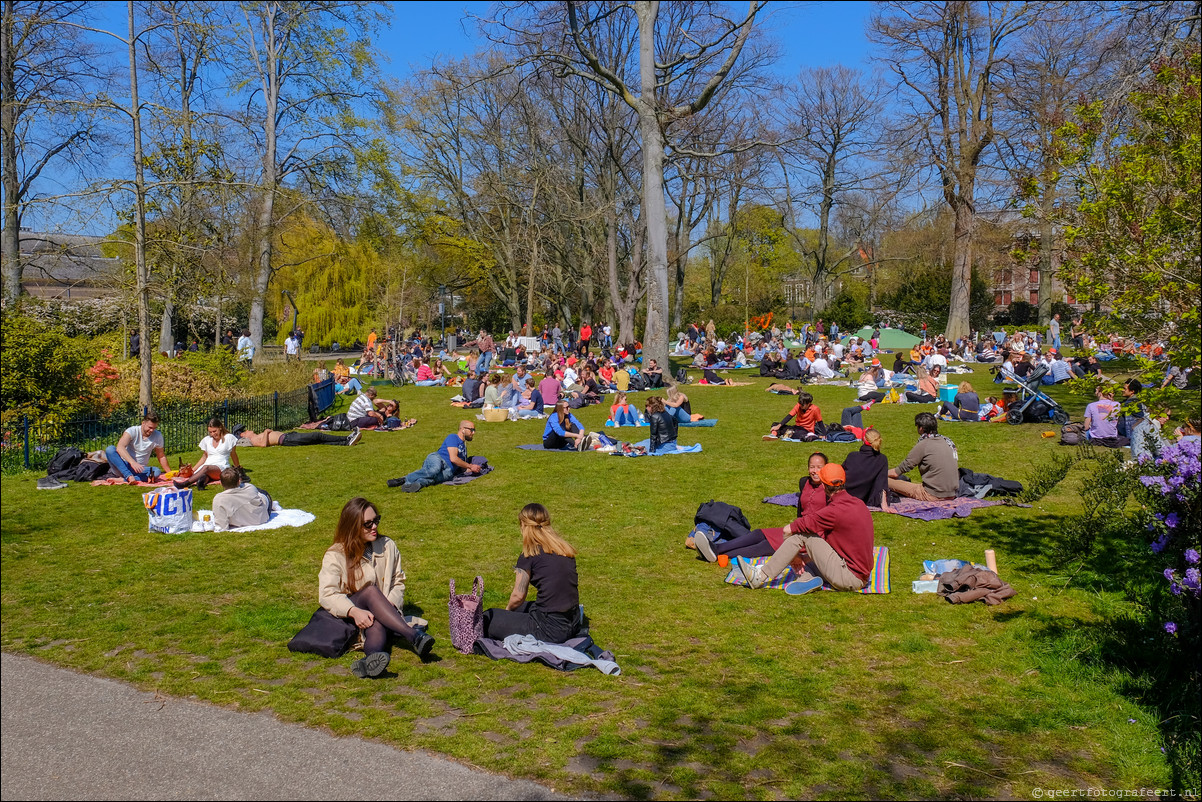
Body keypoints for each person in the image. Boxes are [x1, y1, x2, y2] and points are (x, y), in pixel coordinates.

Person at [319, 497, 435, 678]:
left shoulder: (388, 546)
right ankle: (413, 636)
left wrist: (387, 607)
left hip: (381, 613)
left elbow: (398, 581)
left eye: (376, 520)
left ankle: (371, 660)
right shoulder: (335, 555)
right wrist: (353, 611)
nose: (374, 527)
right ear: (352, 526)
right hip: (351, 615)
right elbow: (327, 594)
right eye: (368, 524)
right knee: (372, 592)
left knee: (378, 618)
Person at [736, 464, 874, 594]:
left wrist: (794, 556)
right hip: (859, 574)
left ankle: (760, 576)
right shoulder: (858, 503)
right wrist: (801, 558)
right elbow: (833, 547)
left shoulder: (833, 511)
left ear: (824, 485)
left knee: (801, 536)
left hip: (849, 577)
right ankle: (807, 578)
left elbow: (787, 530)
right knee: (795, 555)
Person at [482, 503, 583, 643]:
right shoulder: (564, 550)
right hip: (572, 621)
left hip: (548, 630)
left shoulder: (529, 554)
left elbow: (518, 596)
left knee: (489, 616)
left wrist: (507, 611)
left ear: (524, 525)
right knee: (522, 608)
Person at [390, 420, 481, 492]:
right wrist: (470, 465)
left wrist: (475, 469)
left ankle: (416, 484)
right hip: (439, 459)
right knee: (434, 470)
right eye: (472, 430)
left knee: (433, 480)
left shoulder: (464, 448)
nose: (473, 433)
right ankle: (404, 480)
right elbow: (453, 458)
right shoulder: (453, 437)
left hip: (449, 471)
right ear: (463, 429)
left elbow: (462, 467)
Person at [888, 412, 959, 501]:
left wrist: (880, 474)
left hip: (933, 494)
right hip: (952, 493)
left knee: (885, 480)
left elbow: (898, 471)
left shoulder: (924, 445)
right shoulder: (947, 441)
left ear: (921, 428)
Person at [174, 418, 241, 489]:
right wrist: (193, 470)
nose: (212, 434)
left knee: (206, 468)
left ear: (220, 428)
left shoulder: (229, 438)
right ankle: (202, 483)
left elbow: (233, 454)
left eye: (214, 431)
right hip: (208, 465)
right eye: (210, 432)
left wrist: (238, 469)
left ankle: (185, 483)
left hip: (221, 466)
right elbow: (204, 457)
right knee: (205, 472)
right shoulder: (207, 440)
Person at [105, 413, 171, 483]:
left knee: (156, 471)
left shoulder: (157, 435)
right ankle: (128, 476)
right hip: (123, 466)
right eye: (150, 427)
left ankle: (124, 480)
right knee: (110, 449)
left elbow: (161, 456)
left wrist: (170, 473)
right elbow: (120, 447)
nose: (152, 430)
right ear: (143, 423)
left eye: (154, 428)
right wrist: (133, 463)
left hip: (140, 469)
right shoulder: (132, 431)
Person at [211, 467, 273, 531]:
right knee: (260, 493)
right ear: (239, 481)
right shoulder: (250, 487)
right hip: (262, 516)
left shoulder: (219, 499)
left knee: (258, 495)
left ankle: (274, 504)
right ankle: (274, 504)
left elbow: (221, 526)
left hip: (255, 516)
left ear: (221, 483)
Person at [842, 428, 890, 510]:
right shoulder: (881, 459)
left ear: (864, 440)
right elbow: (881, 483)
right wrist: (884, 505)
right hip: (863, 497)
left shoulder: (852, 456)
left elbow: (840, 473)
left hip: (845, 493)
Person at [239, 427, 362, 448]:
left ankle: (346, 442)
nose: (249, 430)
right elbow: (263, 445)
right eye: (246, 431)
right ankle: (346, 439)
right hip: (287, 440)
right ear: (242, 435)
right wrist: (266, 432)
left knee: (317, 441)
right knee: (316, 435)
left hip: (288, 436)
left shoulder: (254, 436)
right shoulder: (252, 440)